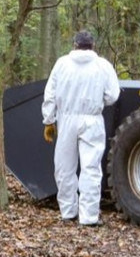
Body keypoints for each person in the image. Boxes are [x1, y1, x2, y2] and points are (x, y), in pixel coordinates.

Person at [41, 31, 120, 227]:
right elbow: (112, 96)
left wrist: (49, 120)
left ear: (75, 45)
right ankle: (89, 217)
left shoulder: (62, 64)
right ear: (93, 45)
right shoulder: (103, 66)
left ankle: (68, 212)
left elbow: (50, 94)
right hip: (92, 120)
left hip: (66, 119)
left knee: (64, 167)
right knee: (91, 168)